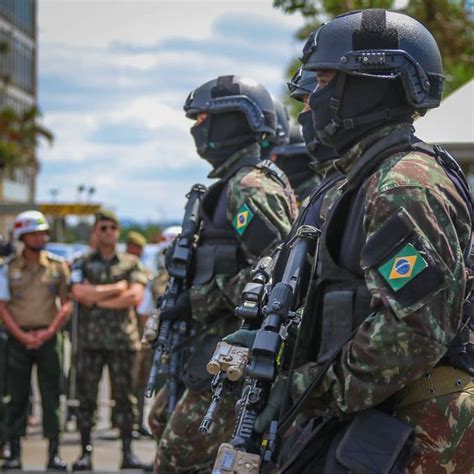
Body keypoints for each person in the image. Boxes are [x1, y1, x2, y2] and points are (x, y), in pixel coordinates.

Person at [254, 9, 472, 473]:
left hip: (416, 431)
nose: (308, 102)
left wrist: (305, 390)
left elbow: (413, 330)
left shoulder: (402, 185)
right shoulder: (351, 181)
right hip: (368, 418)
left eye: (324, 80)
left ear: (372, 82)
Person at [153, 75, 297, 473]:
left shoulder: (249, 188)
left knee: (175, 459)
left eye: (204, 119)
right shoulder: (231, 185)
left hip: (238, 357)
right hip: (212, 348)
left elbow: (281, 273)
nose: (196, 129)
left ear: (233, 121)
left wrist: (197, 299)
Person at [71, 210, 151, 471]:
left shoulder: (131, 263)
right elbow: (78, 293)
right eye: (103, 227)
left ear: (119, 231)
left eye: (113, 227)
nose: (108, 232)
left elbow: (134, 297)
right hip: (90, 342)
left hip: (122, 342)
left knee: (126, 400)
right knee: (86, 399)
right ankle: (85, 452)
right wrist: (116, 289)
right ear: (95, 230)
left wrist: (96, 298)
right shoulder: (82, 262)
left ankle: (127, 452)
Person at [0, 211, 72, 471]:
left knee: (52, 396)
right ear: (22, 236)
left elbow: (66, 304)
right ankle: (14, 452)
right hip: (17, 339)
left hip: (49, 338)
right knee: (16, 396)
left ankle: (54, 453)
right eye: (35, 233)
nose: (41, 237)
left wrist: (49, 331)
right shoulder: (8, 268)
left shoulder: (57, 265)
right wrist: (20, 335)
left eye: (43, 232)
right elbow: (2, 306)